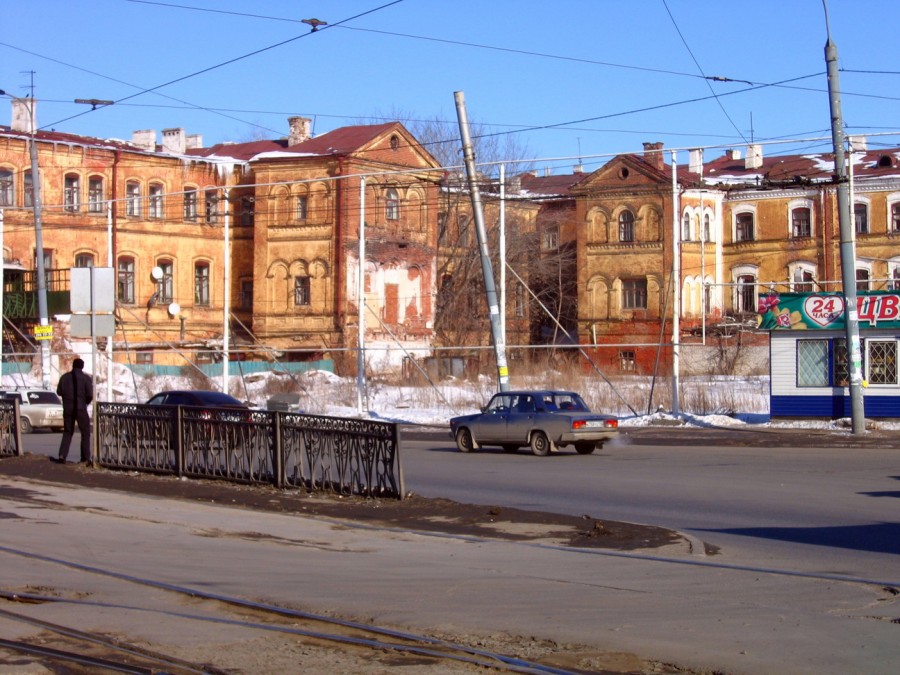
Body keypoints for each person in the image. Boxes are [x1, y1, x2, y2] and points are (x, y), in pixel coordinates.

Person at [56, 358, 93, 464]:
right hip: (80, 408)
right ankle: (85, 457)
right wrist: (84, 402)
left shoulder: (64, 377)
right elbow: (90, 394)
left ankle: (62, 455)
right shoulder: (86, 378)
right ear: (82, 366)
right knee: (85, 433)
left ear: (73, 365)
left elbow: (59, 391)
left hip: (67, 408)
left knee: (67, 432)